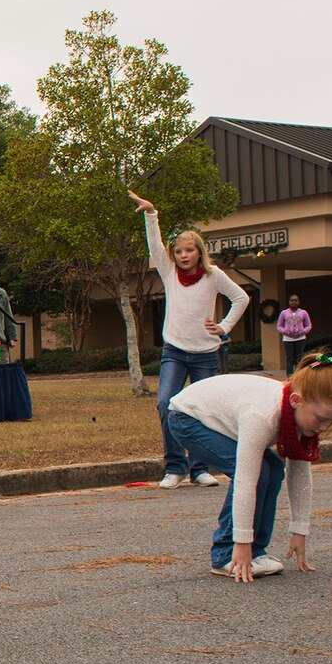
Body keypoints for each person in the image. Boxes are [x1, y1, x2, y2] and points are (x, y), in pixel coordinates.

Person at [166, 354, 332, 582]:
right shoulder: (262, 416)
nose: (324, 427)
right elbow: (246, 479)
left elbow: (300, 473)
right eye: (321, 419)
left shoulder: (300, 417)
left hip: (222, 418)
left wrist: (299, 531)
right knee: (259, 472)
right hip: (186, 418)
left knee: (273, 470)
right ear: (296, 400)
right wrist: (241, 542)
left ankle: (257, 551)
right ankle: (225, 555)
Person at [132, 191, 249, 489]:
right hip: (174, 351)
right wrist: (151, 214)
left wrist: (223, 327)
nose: (183, 256)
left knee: (202, 412)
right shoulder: (169, 272)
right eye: (179, 251)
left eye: (189, 250)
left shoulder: (213, 275)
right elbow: (155, 247)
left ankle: (200, 469)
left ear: (199, 251)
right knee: (165, 404)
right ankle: (174, 467)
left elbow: (241, 298)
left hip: (206, 355)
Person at [275, 296, 312, 374]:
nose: (294, 302)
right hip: (288, 339)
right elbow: (279, 325)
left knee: (299, 357)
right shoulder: (284, 313)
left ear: (298, 302)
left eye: (296, 300)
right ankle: (289, 377)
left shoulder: (303, 312)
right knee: (290, 358)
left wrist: (303, 331)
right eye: (292, 300)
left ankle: (299, 374)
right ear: (289, 302)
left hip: (300, 338)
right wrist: (285, 331)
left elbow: (308, 325)